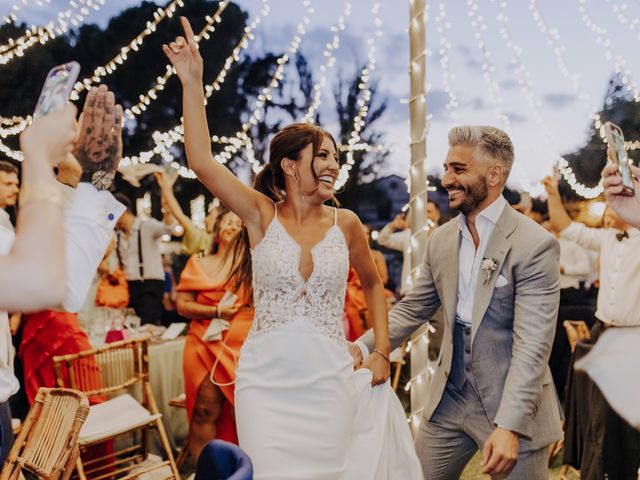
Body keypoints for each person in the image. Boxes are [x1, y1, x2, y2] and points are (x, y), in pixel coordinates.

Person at [164, 17, 422, 479]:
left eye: (336, 159)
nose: (332, 166)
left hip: (330, 379)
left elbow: (374, 283)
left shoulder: (348, 224)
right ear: (289, 164)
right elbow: (201, 162)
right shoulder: (260, 215)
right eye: (322, 156)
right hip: (265, 382)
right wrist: (192, 81)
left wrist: (382, 351)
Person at [355, 126, 563, 478]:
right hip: (451, 399)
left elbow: (532, 347)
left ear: (494, 174)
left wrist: (510, 426)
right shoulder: (441, 240)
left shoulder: (535, 245)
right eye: (447, 168)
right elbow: (412, 308)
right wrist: (361, 348)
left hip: (513, 402)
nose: (446, 178)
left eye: (459, 169)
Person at [545, 169, 640, 478]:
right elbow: (566, 228)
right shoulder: (607, 238)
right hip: (604, 333)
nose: (608, 208)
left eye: (614, 203)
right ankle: (597, 468)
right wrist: (552, 194)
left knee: (622, 422)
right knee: (598, 418)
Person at [176, 206, 253, 458]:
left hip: (245, 345)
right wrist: (216, 312)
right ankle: (205, 470)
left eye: (237, 222)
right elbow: (183, 305)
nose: (232, 226)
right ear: (217, 231)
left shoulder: (254, 266)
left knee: (245, 412)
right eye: (227, 222)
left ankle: (246, 469)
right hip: (202, 342)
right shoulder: (198, 262)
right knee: (205, 410)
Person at [114, 193, 172, 325]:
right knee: (129, 327)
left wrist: (167, 208)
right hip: (128, 288)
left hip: (149, 285)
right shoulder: (117, 235)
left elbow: (168, 228)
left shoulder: (147, 226)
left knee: (148, 326)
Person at [378, 200, 440, 295]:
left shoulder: (443, 235)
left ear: (437, 215)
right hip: (410, 291)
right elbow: (382, 240)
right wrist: (392, 226)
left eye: (429, 212)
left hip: (435, 293)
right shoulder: (409, 236)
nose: (425, 215)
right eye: (423, 212)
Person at [155, 170, 218, 255]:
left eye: (210, 215)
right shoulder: (205, 237)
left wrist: (166, 189)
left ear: (220, 221)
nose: (205, 220)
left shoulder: (201, 237)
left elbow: (178, 214)